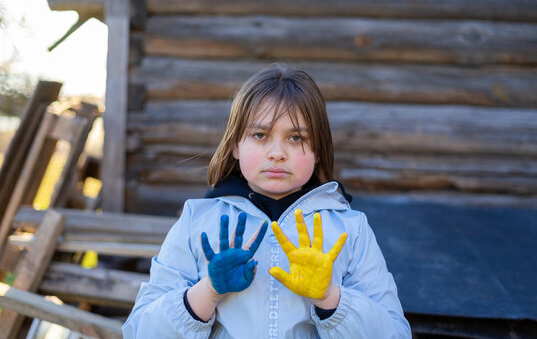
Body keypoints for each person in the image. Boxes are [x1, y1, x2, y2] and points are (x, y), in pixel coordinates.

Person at [123, 64, 411, 338]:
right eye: (260, 135)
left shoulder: (350, 229)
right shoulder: (196, 221)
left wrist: (330, 297)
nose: (277, 153)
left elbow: (395, 333)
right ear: (236, 144)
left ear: (319, 151)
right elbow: (139, 332)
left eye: (296, 138)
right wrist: (208, 291)